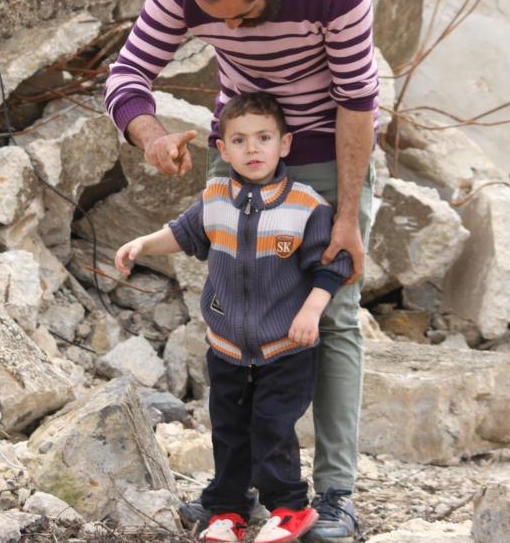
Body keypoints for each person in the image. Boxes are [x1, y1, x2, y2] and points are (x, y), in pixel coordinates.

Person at [103, 0, 378, 542]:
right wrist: (150, 138)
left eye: (243, 18)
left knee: (329, 314)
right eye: (214, 21)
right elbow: (126, 76)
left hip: (327, 154)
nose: (229, 32)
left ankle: (335, 494)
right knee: (238, 311)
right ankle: (243, 489)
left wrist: (348, 213)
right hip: (238, 153)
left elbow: (358, 97)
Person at [115, 93, 352, 543]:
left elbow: (332, 265)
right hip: (226, 348)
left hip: (286, 348)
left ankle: (289, 508)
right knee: (227, 430)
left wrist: (312, 310)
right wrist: (143, 244)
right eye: (239, 140)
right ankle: (228, 510)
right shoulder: (216, 197)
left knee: (272, 427)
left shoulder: (306, 205)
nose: (252, 149)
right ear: (223, 151)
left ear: (285, 144)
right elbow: (183, 234)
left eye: (263, 138)